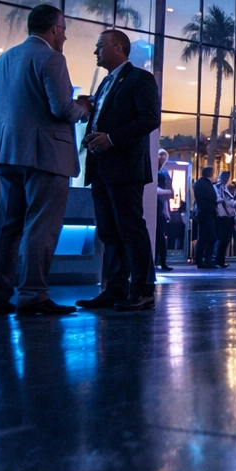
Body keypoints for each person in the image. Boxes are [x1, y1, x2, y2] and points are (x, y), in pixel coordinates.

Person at [0, 4, 92, 317]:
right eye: (64, 30)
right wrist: (85, 110)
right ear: (55, 29)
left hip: (7, 154)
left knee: (6, 226)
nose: (66, 37)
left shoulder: (2, 60)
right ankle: (33, 293)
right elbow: (61, 109)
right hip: (45, 155)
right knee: (41, 226)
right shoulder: (52, 58)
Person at [76, 29, 161, 312]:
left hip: (125, 166)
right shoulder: (105, 84)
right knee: (109, 230)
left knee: (130, 228)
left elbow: (149, 118)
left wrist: (111, 138)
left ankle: (143, 290)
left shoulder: (140, 79)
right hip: (101, 166)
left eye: (100, 46)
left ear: (118, 48)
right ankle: (115, 288)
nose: (95, 51)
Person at [191, 166, 219, 269]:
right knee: (209, 238)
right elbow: (205, 199)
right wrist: (213, 207)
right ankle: (205, 260)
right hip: (206, 214)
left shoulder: (200, 183)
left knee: (205, 238)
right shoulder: (205, 184)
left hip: (205, 214)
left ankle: (203, 260)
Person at [214, 171, 236, 267]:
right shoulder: (218, 187)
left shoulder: (224, 188)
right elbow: (222, 201)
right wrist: (232, 204)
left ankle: (221, 260)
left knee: (226, 239)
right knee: (223, 239)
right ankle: (219, 261)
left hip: (228, 216)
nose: (227, 179)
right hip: (223, 216)